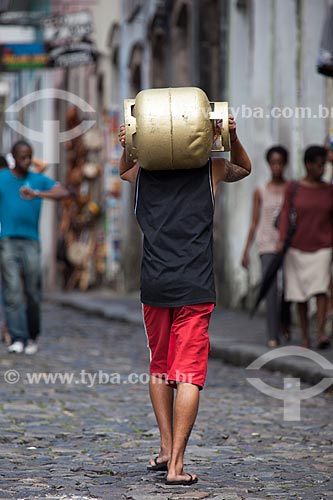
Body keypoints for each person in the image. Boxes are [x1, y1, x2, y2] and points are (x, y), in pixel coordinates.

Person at [119, 115, 251, 486]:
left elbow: (124, 170)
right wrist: (231, 136)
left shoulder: (143, 176)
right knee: (188, 375)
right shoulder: (211, 171)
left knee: (159, 367)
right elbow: (244, 167)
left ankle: (164, 449)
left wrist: (129, 144)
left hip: (154, 287)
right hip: (195, 288)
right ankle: (176, 466)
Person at [0, 140, 69, 354]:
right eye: (22, 156)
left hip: (31, 241)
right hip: (7, 240)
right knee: (12, 290)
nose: (27, 161)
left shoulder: (37, 180)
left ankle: (32, 335)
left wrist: (38, 194)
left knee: (32, 291)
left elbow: (63, 193)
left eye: (30, 156)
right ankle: (17, 337)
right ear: (13, 156)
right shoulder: (2, 178)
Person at [279, 145, 333, 349]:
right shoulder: (293, 188)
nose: (322, 169)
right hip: (295, 247)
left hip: (323, 246)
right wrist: (282, 241)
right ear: (308, 165)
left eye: (324, 165)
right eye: (318, 165)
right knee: (299, 294)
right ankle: (304, 337)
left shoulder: (329, 190)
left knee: (320, 291)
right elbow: (285, 214)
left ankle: (319, 333)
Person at [241, 146, 291, 348]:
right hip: (267, 245)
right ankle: (273, 335)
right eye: (273, 163)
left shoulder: (292, 189)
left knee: (289, 289)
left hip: (288, 245)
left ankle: (284, 323)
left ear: (285, 164)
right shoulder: (260, 190)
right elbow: (254, 222)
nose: (277, 167)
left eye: (280, 162)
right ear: (269, 164)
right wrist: (246, 251)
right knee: (270, 290)